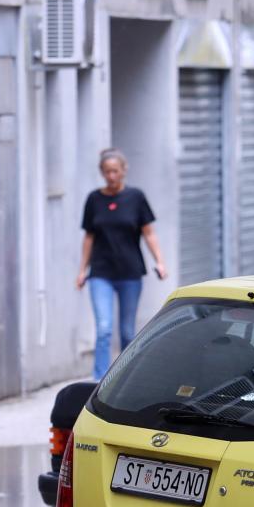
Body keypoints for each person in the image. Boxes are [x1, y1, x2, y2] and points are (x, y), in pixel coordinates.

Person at [76, 149, 167, 379]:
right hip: (101, 273)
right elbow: (89, 237)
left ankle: (127, 379)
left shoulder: (136, 197)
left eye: (115, 171)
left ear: (124, 171)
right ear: (102, 173)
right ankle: (99, 380)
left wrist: (160, 261)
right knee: (104, 328)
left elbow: (149, 233)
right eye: (107, 172)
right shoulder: (94, 199)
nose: (111, 176)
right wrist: (82, 270)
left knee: (127, 331)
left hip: (129, 272)